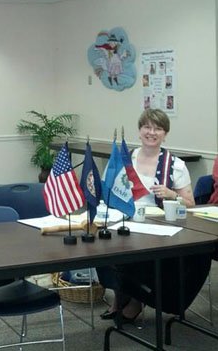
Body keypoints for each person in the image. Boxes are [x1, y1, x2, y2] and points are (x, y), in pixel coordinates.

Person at [99, 108, 195, 322]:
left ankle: (136, 301)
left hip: (156, 227)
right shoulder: (124, 159)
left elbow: (190, 204)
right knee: (104, 249)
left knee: (137, 254)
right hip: (122, 220)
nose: (152, 132)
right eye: (147, 127)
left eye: (158, 128)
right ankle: (118, 297)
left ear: (165, 134)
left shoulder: (175, 165)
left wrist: (171, 194)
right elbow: (106, 191)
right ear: (139, 130)